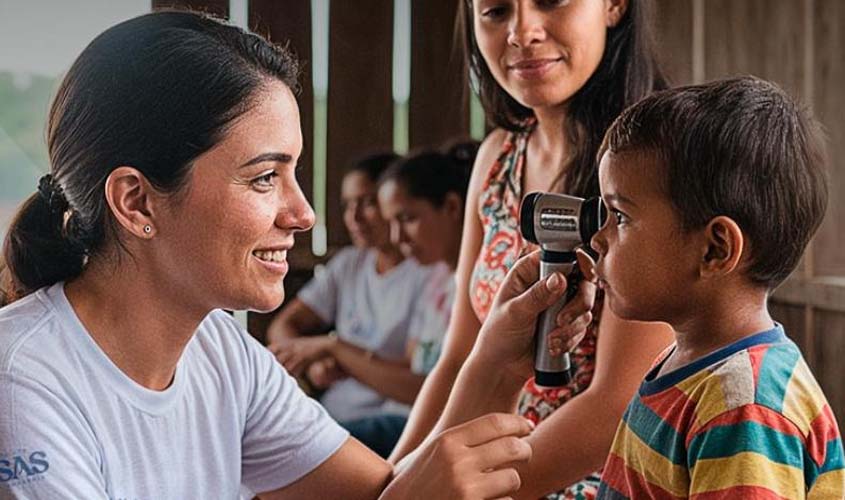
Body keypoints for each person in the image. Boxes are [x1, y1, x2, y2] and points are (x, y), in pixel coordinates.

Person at [0, 11, 581, 499]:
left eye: (293, 172)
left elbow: (388, 492)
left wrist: (499, 362)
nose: (303, 213)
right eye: (263, 178)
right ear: (137, 201)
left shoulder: (223, 355)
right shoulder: (22, 382)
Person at [390, 1, 676, 497]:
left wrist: (445, 492)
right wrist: (393, 478)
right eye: (496, 11)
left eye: (549, 1)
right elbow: (460, 355)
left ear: (613, 5)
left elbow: (613, 407)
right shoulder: (498, 157)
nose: (521, 32)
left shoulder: (656, 164)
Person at [590, 77, 844, 498]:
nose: (598, 239)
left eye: (619, 217)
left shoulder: (744, 407)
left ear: (715, 249)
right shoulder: (691, 363)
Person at [264, 153, 434, 434]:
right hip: (331, 414)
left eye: (367, 203)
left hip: (389, 423)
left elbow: (413, 383)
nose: (354, 217)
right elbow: (282, 327)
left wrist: (337, 351)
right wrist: (314, 363)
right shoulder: (350, 264)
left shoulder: (426, 275)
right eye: (348, 205)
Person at [328, 144, 476, 457]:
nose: (397, 238)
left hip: (421, 427)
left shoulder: (479, 286)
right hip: (405, 422)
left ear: (451, 207)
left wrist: (338, 349)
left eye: (407, 219)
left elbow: (433, 387)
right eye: (391, 222)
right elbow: (414, 365)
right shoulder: (437, 281)